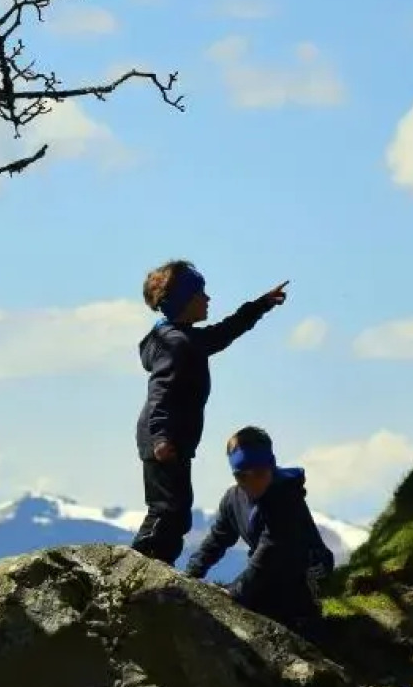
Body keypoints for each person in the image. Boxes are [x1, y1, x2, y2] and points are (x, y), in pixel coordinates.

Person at [130, 261, 288, 564]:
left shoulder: (186, 338)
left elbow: (225, 331)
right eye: (200, 293)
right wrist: (161, 437)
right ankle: (139, 572)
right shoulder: (175, 344)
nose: (208, 298)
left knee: (173, 510)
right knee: (169, 511)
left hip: (171, 440)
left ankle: (147, 569)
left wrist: (261, 305)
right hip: (163, 440)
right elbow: (159, 392)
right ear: (183, 301)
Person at [184, 426, 336, 637]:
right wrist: (191, 573)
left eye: (258, 473)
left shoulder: (286, 499)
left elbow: (269, 555)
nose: (251, 482)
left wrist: (233, 592)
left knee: (279, 612)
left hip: (305, 568)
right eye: (241, 476)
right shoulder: (233, 500)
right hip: (269, 568)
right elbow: (218, 539)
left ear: (271, 467)